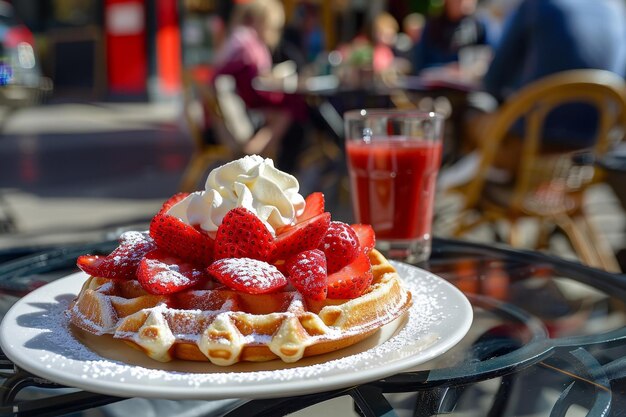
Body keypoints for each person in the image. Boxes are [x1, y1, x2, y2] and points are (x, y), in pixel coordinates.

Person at [470, 0, 626, 169]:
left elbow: (493, 81)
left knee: (468, 116)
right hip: (590, 157)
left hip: (529, 151)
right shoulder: (615, 11)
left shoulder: (537, 4)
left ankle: (472, 188)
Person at [211, 0, 308, 172]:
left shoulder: (237, 38)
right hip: (239, 114)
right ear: (261, 22)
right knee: (291, 107)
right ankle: (255, 153)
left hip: (229, 110)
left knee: (287, 107)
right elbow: (252, 84)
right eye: (273, 27)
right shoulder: (248, 44)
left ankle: (260, 155)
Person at [412, 0, 490, 73]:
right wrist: (444, 69)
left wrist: (471, 69)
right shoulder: (432, 27)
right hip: (436, 82)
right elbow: (419, 64)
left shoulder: (479, 26)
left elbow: (490, 60)